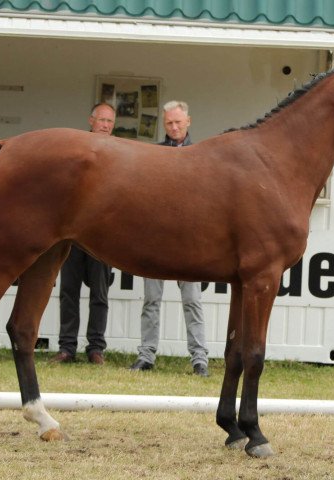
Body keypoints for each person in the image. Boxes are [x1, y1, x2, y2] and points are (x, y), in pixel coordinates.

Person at [130, 100, 210, 377]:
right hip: (156, 240)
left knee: (193, 301)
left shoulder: (203, 155)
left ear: (188, 121)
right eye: (169, 123)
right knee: (150, 301)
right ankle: (146, 355)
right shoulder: (153, 155)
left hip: (189, 242)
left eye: (178, 122)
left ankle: (200, 359)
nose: (174, 127)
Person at [50, 103, 116, 365]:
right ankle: (67, 348)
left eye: (110, 121)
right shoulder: (78, 149)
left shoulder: (118, 153)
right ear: (91, 120)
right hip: (73, 234)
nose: (105, 125)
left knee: (100, 294)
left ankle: (96, 348)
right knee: (69, 291)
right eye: (101, 120)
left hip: (103, 236)